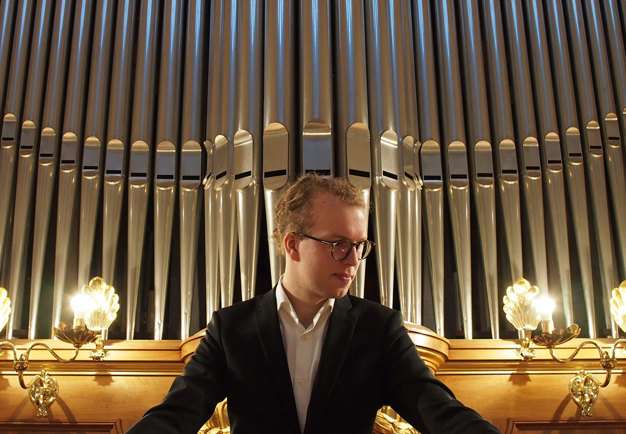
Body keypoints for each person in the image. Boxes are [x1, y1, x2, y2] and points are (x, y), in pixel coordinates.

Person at [127, 174, 501, 434]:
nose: (353, 261)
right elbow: (178, 412)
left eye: (359, 246)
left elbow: (437, 410)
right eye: (338, 244)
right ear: (292, 245)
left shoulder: (380, 329)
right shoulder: (230, 328)